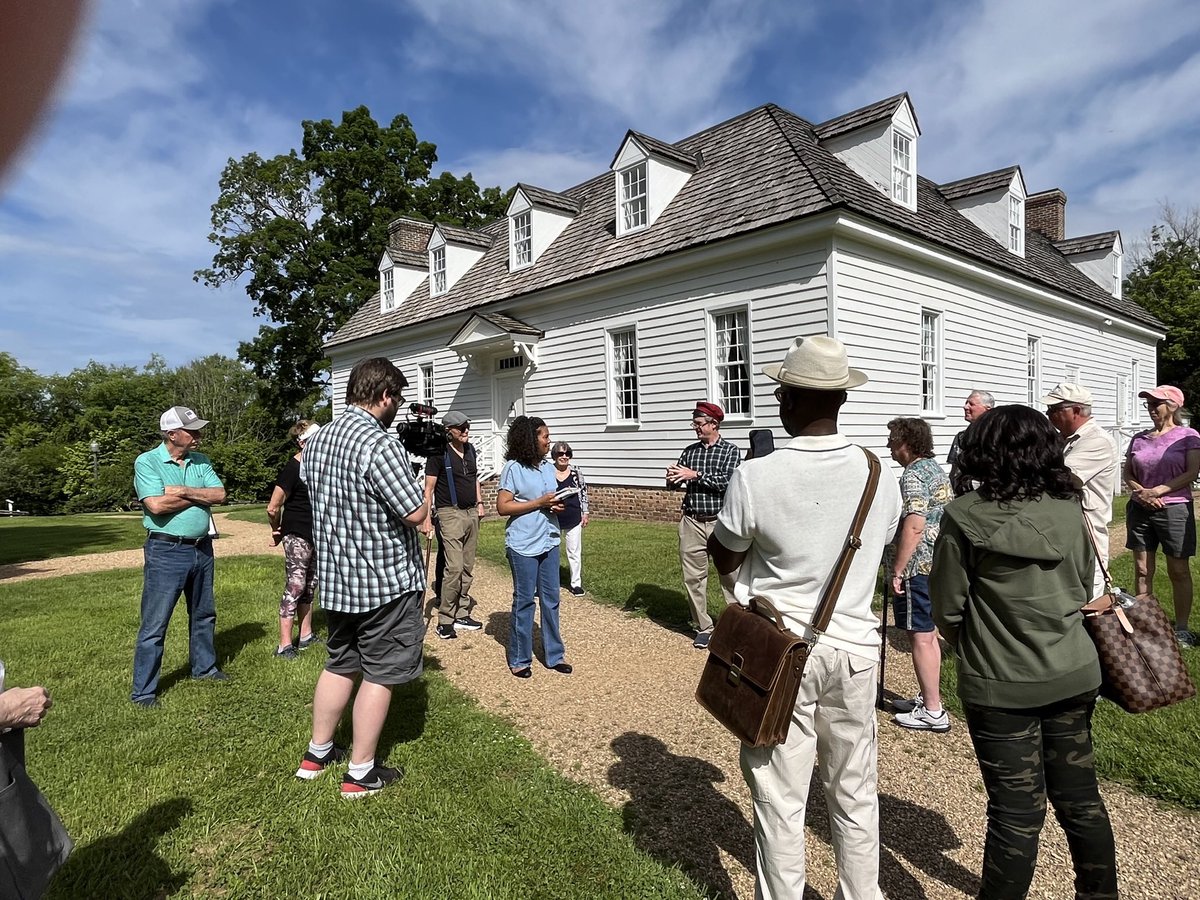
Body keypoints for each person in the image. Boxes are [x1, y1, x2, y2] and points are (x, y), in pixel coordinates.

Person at [708, 335, 901, 900]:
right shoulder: (879, 475)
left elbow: (724, 552)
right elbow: (874, 549)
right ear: (841, 398)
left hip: (779, 652)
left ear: (789, 399)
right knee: (855, 793)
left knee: (780, 797)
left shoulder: (757, 476)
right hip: (857, 649)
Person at [931, 405, 1117, 900]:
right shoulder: (1068, 505)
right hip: (1075, 669)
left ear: (983, 451)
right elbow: (1082, 583)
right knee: (1080, 799)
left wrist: (971, 640)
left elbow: (947, 607)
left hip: (1000, 682)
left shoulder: (962, 515)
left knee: (1015, 812)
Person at [295, 358, 429, 798]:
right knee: (381, 672)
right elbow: (415, 513)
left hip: (337, 578)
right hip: (384, 579)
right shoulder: (378, 443)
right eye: (399, 399)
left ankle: (317, 753)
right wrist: (423, 478)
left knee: (340, 663)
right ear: (385, 395)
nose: (399, 408)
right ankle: (361, 772)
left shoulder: (316, 441)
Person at [131, 406, 228, 708]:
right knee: (155, 623)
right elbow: (156, 507)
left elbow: (220, 495)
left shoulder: (201, 460)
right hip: (166, 551)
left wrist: (182, 490)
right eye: (192, 431)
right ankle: (144, 693)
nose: (198, 436)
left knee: (203, 614)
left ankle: (204, 668)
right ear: (172, 434)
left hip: (202, 548)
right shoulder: (147, 462)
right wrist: (198, 495)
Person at [884, 417, 953, 733]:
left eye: (893, 441)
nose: (889, 447)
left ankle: (933, 711)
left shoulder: (913, 474)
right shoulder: (934, 469)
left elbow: (914, 522)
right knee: (928, 635)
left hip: (917, 566)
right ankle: (929, 698)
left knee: (921, 636)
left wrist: (898, 570)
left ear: (905, 443)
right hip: (937, 563)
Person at [1124, 385, 1200, 647]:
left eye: (1157, 402)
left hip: (1175, 508)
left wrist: (1158, 490)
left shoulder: (1188, 436)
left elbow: (1191, 473)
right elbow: (1128, 474)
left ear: (1174, 405)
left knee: (1178, 570)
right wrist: (1142, 493)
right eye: (1149, 402)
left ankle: (1181, 629)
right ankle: (1145, 625)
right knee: (1143, 569)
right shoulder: (1139, 438)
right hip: (1140, 507)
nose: (1152, 407)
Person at [497, 416, 572, 678]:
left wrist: (554, 504)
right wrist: (539, 503)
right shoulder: (513, 468)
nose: (548, 440)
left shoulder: (547, 467)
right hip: (522, 543)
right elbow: (503, 507)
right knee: (525, 600)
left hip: (548, 539)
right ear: (531, 439)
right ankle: (520, 658)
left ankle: (554, 655)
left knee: (552, 600)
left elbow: (546, 500)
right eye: (545, 436)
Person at [666, 400, 741, 649]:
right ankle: (704, 627)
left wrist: (695, 475)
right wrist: (673, 478)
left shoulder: (730, 450)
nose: (696, 428)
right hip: (692, 521)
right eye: (694, 424)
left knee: (730, 577)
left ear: (714, 424)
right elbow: (677, 481)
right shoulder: (690, 451)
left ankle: (735, 627)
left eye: (699, 424)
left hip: (721, 522)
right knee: (693, 578)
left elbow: (727, 481)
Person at [1043, 384, 1118, 596]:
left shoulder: (1097, 440)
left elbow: (1063, 478)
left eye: (1054, 409)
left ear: (1076, 410)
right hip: (1064, 531)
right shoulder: (1065, 439)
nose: (1049, 415)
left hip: (1086, 534)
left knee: (1087, 602)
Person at [423, 410, 485, 640]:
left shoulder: (470, 450)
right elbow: (428, 489)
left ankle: (462, 612)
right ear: (449, 431)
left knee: (468, 567)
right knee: (454, 567)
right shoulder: (439, 453)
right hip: (449, 513)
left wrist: (479, 503)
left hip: (470, 512)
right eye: (461, 427)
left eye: (467, 426)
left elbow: (475, 478)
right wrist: (427, 518)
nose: (466, 430)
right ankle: (445, 619)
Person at [266, 420, 323, 659]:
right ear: (302, 442)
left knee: (311, 584)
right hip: (297, 533)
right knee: (296, 584)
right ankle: (284, 645)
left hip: (317, 533)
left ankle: (306, 635)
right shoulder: (292, 468)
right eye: (315, 440)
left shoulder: (320, 466)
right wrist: (277, 530)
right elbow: (273, 507)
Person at [551, 440, 589, 596]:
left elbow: (583, 492)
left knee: (574, 551)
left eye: (567, 453)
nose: (564, 456)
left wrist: (585, 512)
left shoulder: (576, 472)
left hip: (573, 516)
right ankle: (550, 582)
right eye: (560, 453)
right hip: (552, 517)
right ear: (554, 455)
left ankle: (576, 583)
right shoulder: (548, 471)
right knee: (550, 552)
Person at [947, 389, 994, 495]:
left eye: (971, 404)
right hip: (963, 498)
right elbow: (954, 472)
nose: (965, 407)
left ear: (987, 410)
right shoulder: (961, 437)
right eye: (966, 403)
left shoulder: (998, 436)